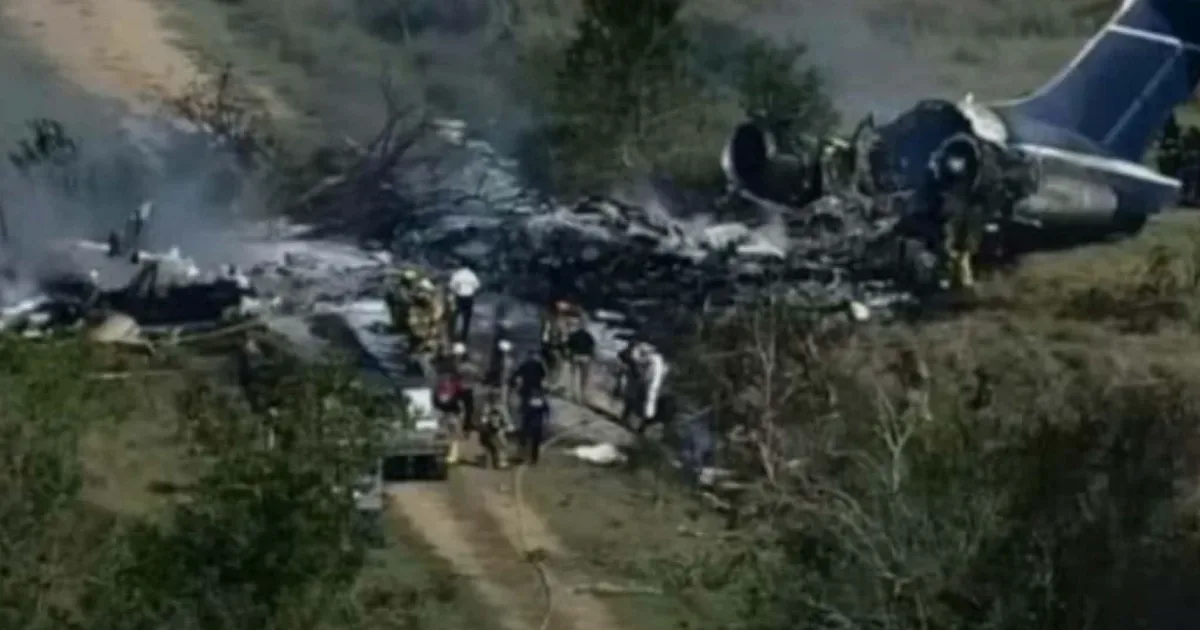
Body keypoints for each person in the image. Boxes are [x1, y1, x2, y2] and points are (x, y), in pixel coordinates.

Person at [633, 342, 668, 433]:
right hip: (656, 385)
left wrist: (635, 352)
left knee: (645, 404)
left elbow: (639, 361)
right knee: (649, 404)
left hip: (649, 384)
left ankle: (643, 425)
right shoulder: (661, 361)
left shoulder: (652, 358)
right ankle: (644, 425)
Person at [564, 319, 596, 403]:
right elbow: (592, 347)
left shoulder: (573, 335)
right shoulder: (588, 336)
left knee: (574, 376)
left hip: (575, 356)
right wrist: (591, 357)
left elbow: (568, 345)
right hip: (585, 357)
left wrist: (569, 355)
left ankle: (573, 394)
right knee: (583, 378)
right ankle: (582, 395)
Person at [477, 390, 510, 469]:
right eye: (493, 396)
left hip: (498, 429)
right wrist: (484, 422)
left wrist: (508, 425)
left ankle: (500, 462)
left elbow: (506, 418)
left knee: (502, 445)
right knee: (491, 446)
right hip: (489, 430)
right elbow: (483, 418)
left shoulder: (501, 407)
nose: (495, 398)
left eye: (496, 396)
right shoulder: (487, 406)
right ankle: (489, 462)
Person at [447, 264, 481, 342]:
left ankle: (452, 334)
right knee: (467, 318)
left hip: (459, 297)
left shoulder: (458, 274)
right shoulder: (472, 275)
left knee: (455, 316)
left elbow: (452, 285)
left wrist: (456, 290)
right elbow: (477, 286)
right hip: (469, 297)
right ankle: (464, 336)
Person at [614, 341, 643, 426]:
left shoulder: (627, 353)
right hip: (629, 377)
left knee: (625, 393)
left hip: (627, 376)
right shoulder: (632, 356)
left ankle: (624, 416)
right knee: (628, 397)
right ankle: (625, 417)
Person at [518, 393, 550, 466]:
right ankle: (534, 458)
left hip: (530, 425)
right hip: (538, 425)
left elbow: (524, 413)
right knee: (535, 443)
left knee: (529, 442)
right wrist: (546, 422)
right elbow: (547, 412)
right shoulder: (542, 402)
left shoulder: (529, 402)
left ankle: (529, 457)